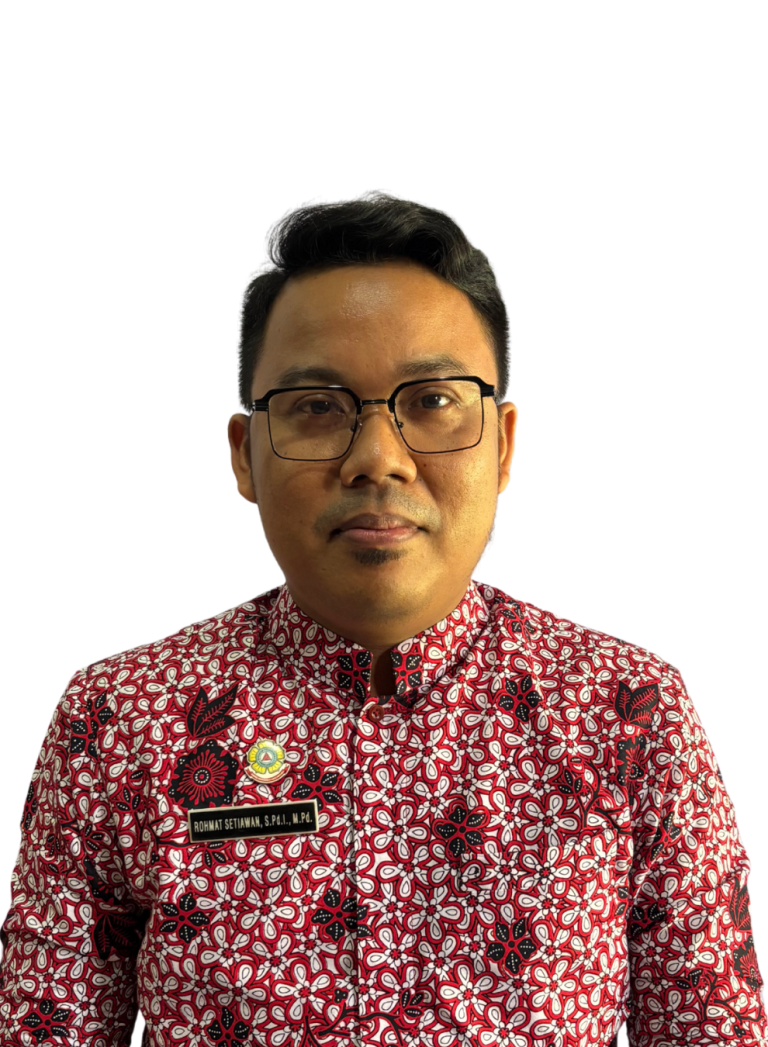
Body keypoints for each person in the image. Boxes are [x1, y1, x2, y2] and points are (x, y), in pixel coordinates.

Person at [0, 193, 763, 1047]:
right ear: (245, 454)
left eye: (432, 399)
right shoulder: (121, 720)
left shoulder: (627, 714)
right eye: (317, 406)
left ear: (503, 444)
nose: (378, 458)